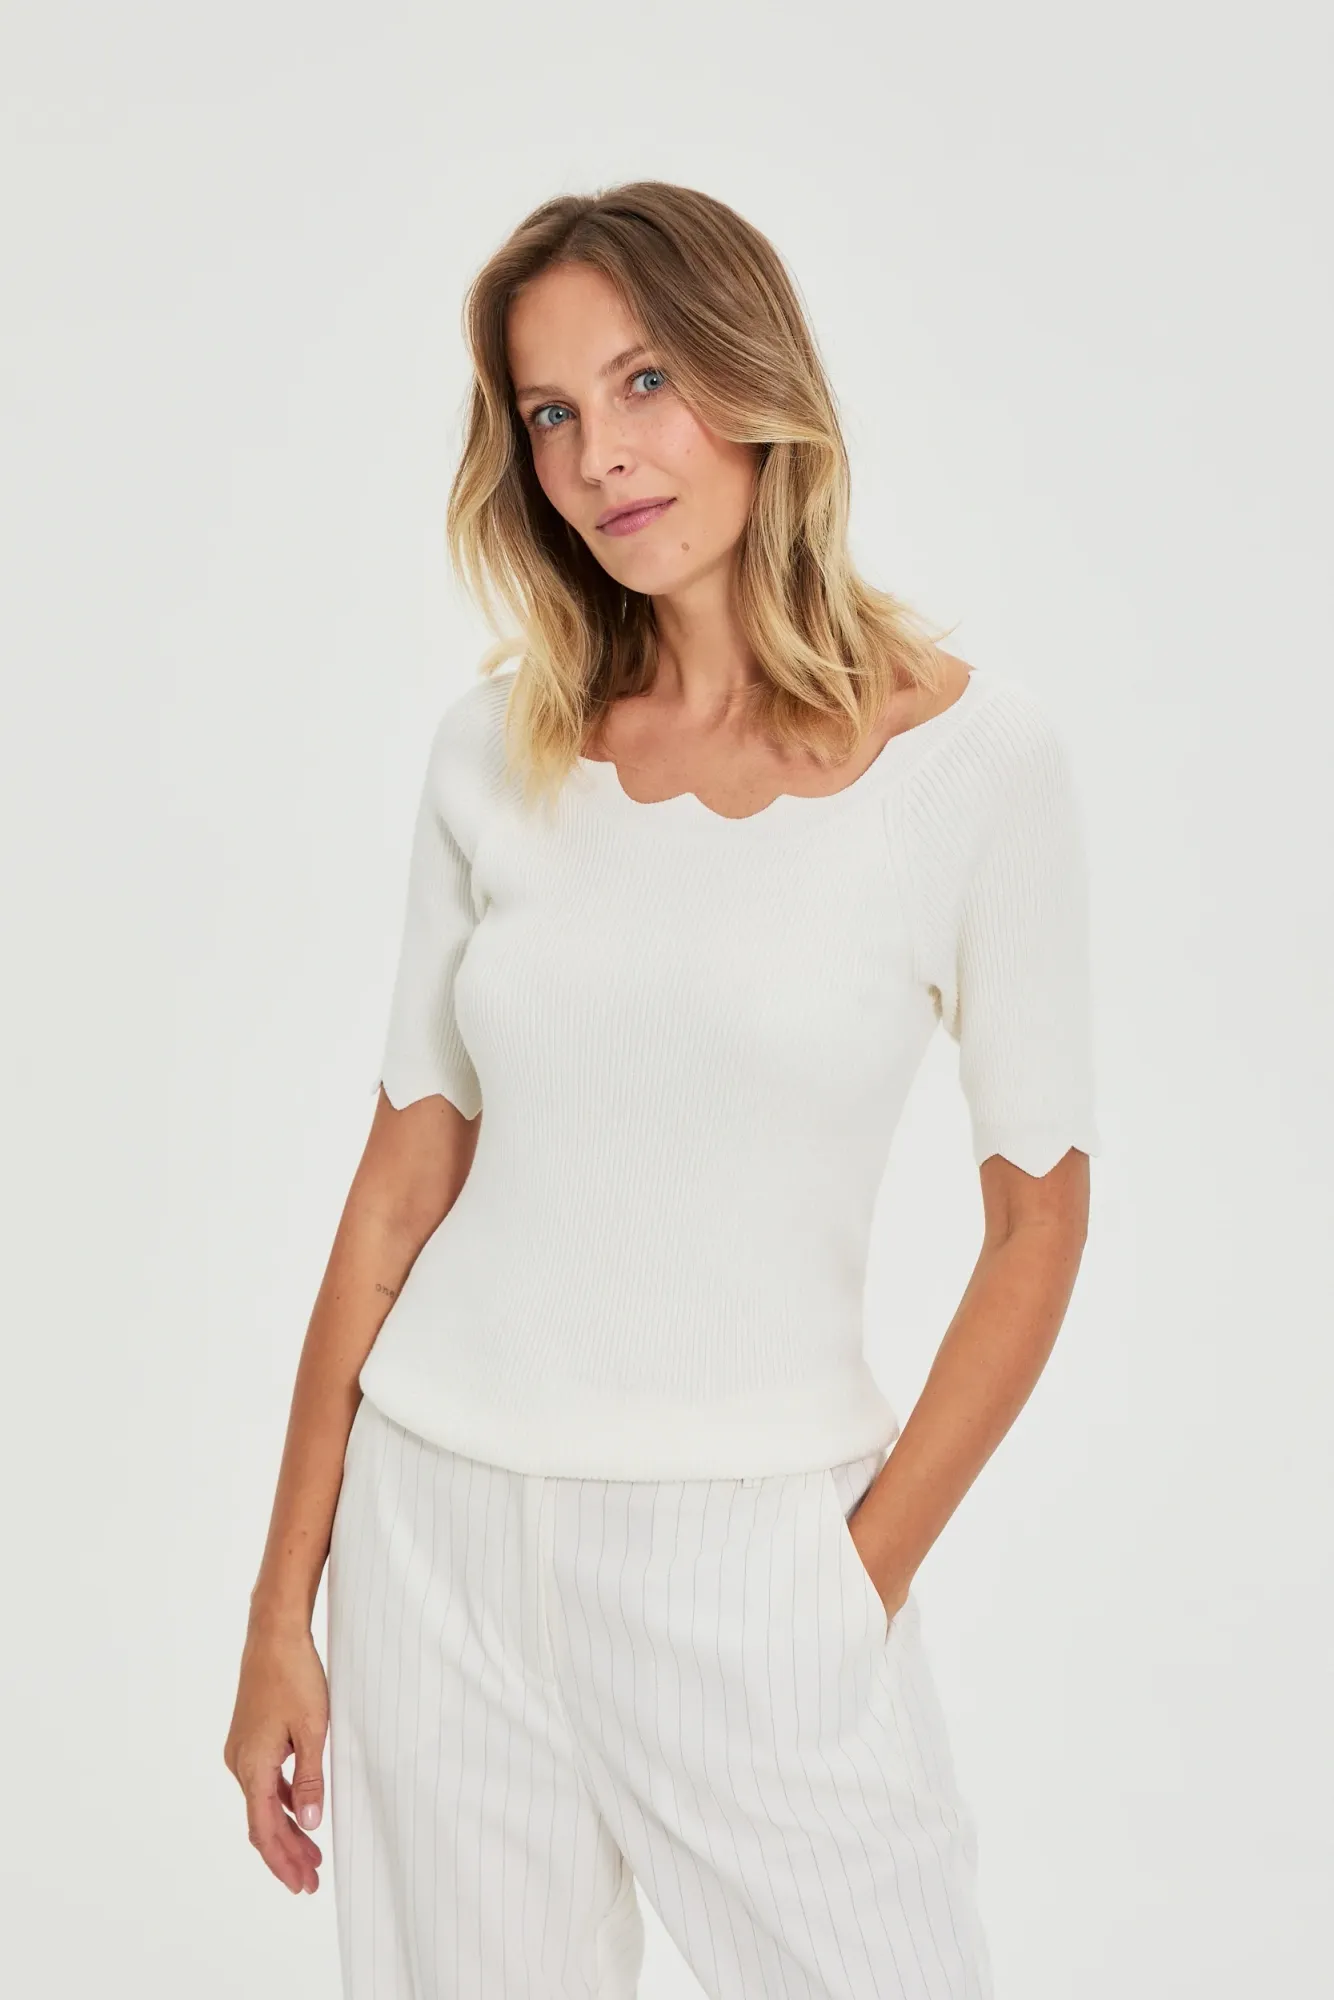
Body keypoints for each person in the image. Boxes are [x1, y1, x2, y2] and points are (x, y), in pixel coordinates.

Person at [224, 179, 1100, 2000]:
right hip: (436, 1539)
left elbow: (1036, 1224)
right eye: (550, 413)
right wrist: (278, 1611)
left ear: (753, 376)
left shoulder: (975, 768)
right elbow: (399, 1192)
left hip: (757, 1553)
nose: (600, 457)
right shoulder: (496, 749)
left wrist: (853, 1581)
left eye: (642, 383)